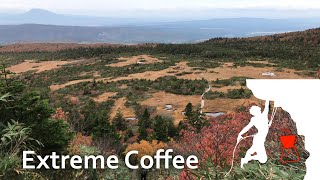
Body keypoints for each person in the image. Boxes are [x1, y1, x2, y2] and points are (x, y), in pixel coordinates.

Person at [237, 100, 270, 168]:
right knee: (263, 159)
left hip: (259, 137)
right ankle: (246, 160)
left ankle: (244, 162)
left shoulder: (257, 118)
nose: (259, 108)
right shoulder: (262, 116)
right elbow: (267, 106)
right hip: (259, 138)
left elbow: (247, 127)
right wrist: (268, 98)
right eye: (258, 108)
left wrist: (240, 134)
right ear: (256, 111)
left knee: (251, 151)